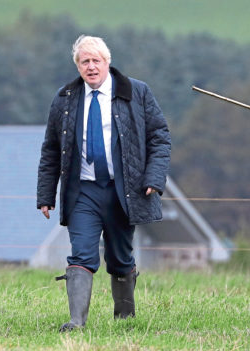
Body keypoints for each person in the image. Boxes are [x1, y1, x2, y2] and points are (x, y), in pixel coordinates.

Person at [37, 35, 171, 331]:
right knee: (81, 253)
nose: (91, 66)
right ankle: (76, 322)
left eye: (96, 60)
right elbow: (50, 148)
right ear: (78, 66)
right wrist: (46, 194)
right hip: (82, 191)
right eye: (85, 61)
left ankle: (124, 319)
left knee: (120, 256)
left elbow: (160, 137)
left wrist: (153, 177)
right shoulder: (65, 99)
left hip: (123, 190)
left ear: (107, 63)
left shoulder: (137, 92)